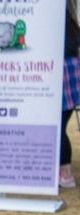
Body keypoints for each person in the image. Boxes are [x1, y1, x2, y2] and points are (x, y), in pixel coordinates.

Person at [60, 2, 80, 188]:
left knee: (58, 128)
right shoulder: (71, 22)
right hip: (70, 83)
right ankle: (63, 171)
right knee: (60, 126)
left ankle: (65, 172)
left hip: (63, 81)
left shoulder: (61, 23)